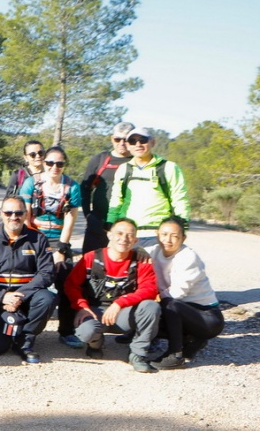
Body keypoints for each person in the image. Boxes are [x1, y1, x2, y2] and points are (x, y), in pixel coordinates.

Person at [64, 218, 163, 373]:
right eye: (119, 233)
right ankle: (95, 344)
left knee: (151, 306)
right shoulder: (91, 257)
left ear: (135, 240)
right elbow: (71, 285)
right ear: (109, 235)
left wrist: (120, 303)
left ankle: (138, 354)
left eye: (130, 235)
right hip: (95, 311)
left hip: (125, 313)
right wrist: (81, 307)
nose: (124, 238)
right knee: (86, 332)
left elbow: (149, 289)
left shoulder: (141, 260)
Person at [0, 196, 56, 365]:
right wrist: (2, 296)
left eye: (18, 213)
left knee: (47, 298)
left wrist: (20, 295)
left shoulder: (38, 239)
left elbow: (47, 273)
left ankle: (24, 341)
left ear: (26, 214)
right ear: (1, 214)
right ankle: (9, 331)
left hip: (27, 298)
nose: (13, 217)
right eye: (8, 213)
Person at [20, 145, 83, 349]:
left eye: (59, 164)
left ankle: (67, 330)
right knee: (27, 277)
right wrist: (31, 244)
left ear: (64, 165)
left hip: (58, 239)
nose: (54, 167)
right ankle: (23, 326)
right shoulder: (31, 183)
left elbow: (70, 219)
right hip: (33, 236)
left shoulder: (72, 187)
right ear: (44, 162)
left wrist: (61, 250)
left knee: (66, 279)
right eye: (50, 162)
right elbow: (26, 216)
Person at [149, 217, 223, 367]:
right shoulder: (154, 251)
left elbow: (177, 294)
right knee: (146, 312)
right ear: (157, 234)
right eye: (164, 234)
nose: (168, 240)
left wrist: (151, 299)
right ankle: (191, 340)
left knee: (168, 304)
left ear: (183, 238)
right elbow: (135, 254)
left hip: (206, 317)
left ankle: (175, 354)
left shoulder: (188, 257)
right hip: (183, 311)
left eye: (174, 236)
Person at [108, 126, 191, 247]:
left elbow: (179, 198)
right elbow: (116, 199)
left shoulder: (169, 168)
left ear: (153, 142)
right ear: (128, 145)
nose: (138, 144)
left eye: (143, 140)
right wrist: (110, 223)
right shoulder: (124, 169)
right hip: (129, 234)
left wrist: (182, 226)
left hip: (158, 234)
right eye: (132, 141)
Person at [80, 122, 134, 252]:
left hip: (127, 227)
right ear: (112, 139)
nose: (121, 143)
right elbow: (85, 189)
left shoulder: (138, 162)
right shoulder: (100, 159)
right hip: (98, 223)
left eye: (126, 139)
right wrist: (89, 216)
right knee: (91, 261)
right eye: (117, 139)